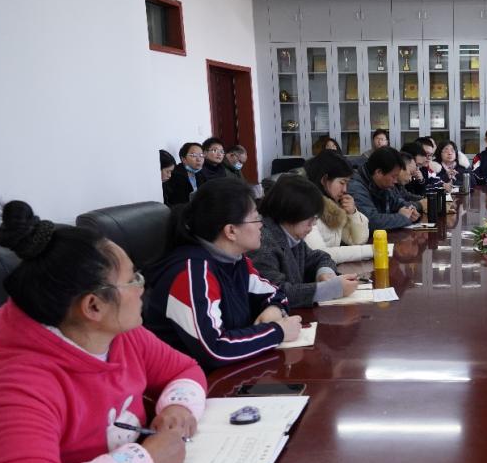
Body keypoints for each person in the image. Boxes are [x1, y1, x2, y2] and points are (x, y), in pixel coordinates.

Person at [0, 201, 207, 463]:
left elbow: (184, 369)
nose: (142, 286)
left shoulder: (122, 336)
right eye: (133, 279)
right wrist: (145, 461)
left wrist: (177, 405)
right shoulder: (18, 383)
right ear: (93, 306)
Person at [143, 177, 302, 369]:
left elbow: (276, 293)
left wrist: (274, 309)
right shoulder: (191, 273)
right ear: (231, 231)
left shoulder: (236, 260)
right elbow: (214, 349)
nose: (261, 225)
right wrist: (277, 332)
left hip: (230, 372)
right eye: (256, 218)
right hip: (190, 379)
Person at [249, 175, 358, 307]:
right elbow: (275, 292)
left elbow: (320, 257)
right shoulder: (262, 241)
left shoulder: (290, 235)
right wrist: (330, 289)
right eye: (310, 218)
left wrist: (325, 273)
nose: (313, 224)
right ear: (291, 212)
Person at [305, 150, 373, 263]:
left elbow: (358, 241)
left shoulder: (333, 205)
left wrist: (353, 213)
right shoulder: (306, 205)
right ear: (324, 180)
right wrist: (372, 250)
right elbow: (320, 255)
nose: (345, 189)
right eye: (342, 183)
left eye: (347, 183)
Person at [347, 146, 420, 232]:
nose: (396, 181)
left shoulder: (381, 183)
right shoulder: (355, 186)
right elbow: (371, 221)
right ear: (379, 172)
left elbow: (396, 202)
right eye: (394, 176)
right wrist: (402, 218)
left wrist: (410, 210)